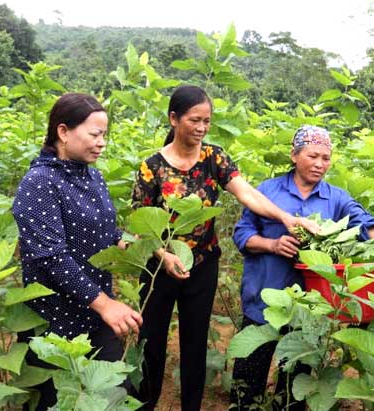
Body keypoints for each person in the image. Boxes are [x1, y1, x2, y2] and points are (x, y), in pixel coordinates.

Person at [131, 85, 318, 411]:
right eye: (195, 120)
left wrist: (286, 218)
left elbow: (246, 193)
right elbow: (139, 223)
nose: (202, 128)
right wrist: (165, 254)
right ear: (174, 119)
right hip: (160, 266)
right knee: (151, 344)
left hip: (202, 265)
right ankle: (145, 405)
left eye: (207, 121)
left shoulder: (213, 157)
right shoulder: (152, 167)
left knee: (194, 344)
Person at [230, 125, 374, 411]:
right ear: (294, 155)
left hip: (311, 308)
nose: (320, 164)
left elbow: (366, 223)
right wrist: (273, 245)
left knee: (294, 391)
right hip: (264, 299)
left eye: (326, 158)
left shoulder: (336, 198)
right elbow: (242, 234)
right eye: (313, 156)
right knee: (247, 385)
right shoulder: (268, 191)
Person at [13, 93, 143, 410]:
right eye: (94, 134)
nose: (102, 143)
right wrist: (106, 304)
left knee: (113, 395)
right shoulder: (39, 182)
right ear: (63, 132)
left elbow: (102, 228)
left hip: (94, 314)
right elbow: (51, 257)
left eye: (104, 135)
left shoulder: (91, 174)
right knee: (59, 402)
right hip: (54, 321)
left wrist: (132, 243)